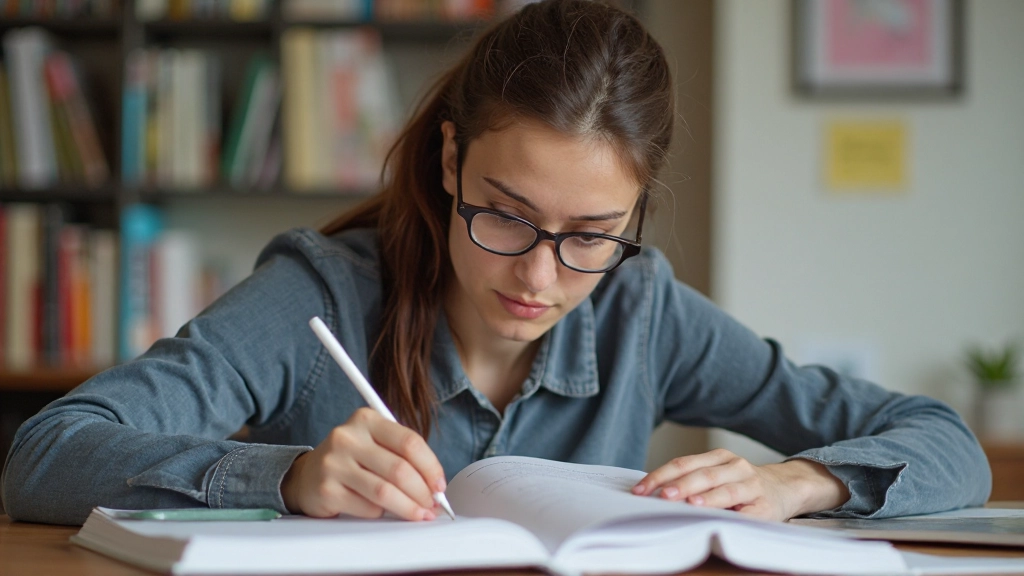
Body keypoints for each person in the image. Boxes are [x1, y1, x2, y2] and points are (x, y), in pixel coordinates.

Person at [2, 0, 989, 526]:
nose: (541, 279)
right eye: (505, 217)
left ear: (634, 214)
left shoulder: (640, 308)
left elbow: (946, 444)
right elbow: (43, 455)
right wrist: (290, 477)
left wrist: (795, 485)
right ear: (449, 161)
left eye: (590, 235)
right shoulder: (320, 294)